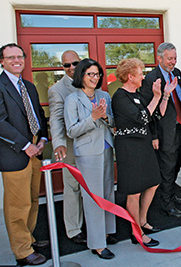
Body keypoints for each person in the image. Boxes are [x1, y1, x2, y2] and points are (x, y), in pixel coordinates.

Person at [0, 43, 48, 265]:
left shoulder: (29, 86)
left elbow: (39, 115)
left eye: (19, 56)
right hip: (16, 153)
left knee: (33, 199)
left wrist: (42, 138)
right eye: (11, 57)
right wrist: (26, 145)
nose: (17, 60)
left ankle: (28, 238)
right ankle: (22, 251)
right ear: (2, 61)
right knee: (18, 205)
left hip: (36, 149)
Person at [112, 58, 176, 247]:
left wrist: (164, 95)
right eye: (141, 73)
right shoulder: (120, 97)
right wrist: (156, 97)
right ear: (130, 76)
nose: (143, 77)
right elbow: (142, 118)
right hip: (129, 148)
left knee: (154, 182)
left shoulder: (138, 95)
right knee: (134, 192)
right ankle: (136, 232)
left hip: (144, 145)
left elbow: (157, 115)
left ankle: (142, 220)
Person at [64, 59, 117, 260]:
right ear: (81, 76)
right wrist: (92, 118)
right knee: (93, 198)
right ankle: (97, 244)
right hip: (87, 154)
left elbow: (112, 122)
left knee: (107, 193)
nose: (95, 78)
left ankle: (107, 231)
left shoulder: (104, 95)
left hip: (105, 148)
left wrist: (104, 118)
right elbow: (71, 131)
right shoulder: (73, 99)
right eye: (90, 74)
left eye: (97, 75)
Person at [140, 42, 181, 219]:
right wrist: (153, 135)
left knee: (176, 163)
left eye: (175, 58)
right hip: (164, 132)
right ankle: (167, 205)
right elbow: (148, 111)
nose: (173, 62)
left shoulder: (177, 73)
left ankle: (170, 193)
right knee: (167, 167)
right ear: (159, 58)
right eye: (169, 58)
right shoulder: (151, 78)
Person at [48, 50, 87, 244]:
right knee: (72, 188)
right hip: (71, 145)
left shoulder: (90, 80)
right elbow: (55, 119)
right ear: (62, 67)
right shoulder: (57, 89)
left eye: (74, 63)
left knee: (91, 186)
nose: (71, 67)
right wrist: (59, 144)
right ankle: (73, 229)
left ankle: (94, 224)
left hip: (92, 145)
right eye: (66, 65)